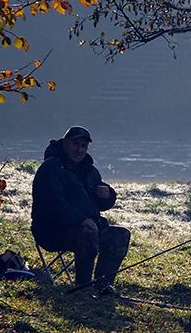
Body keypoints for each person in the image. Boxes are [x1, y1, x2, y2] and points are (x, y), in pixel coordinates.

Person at [31, 126, 129, 294]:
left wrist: (108, 195)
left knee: (121, 235)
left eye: (84, 146)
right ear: (64, 143)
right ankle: (83, 287)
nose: (80, 149)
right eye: (75, 144)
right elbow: (53, 206)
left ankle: (103, 286)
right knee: (88, 232)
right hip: (51, 230)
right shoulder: (51, 168)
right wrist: (81, 220)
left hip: (89, 226)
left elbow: (101, 203)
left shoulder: (89, 171)